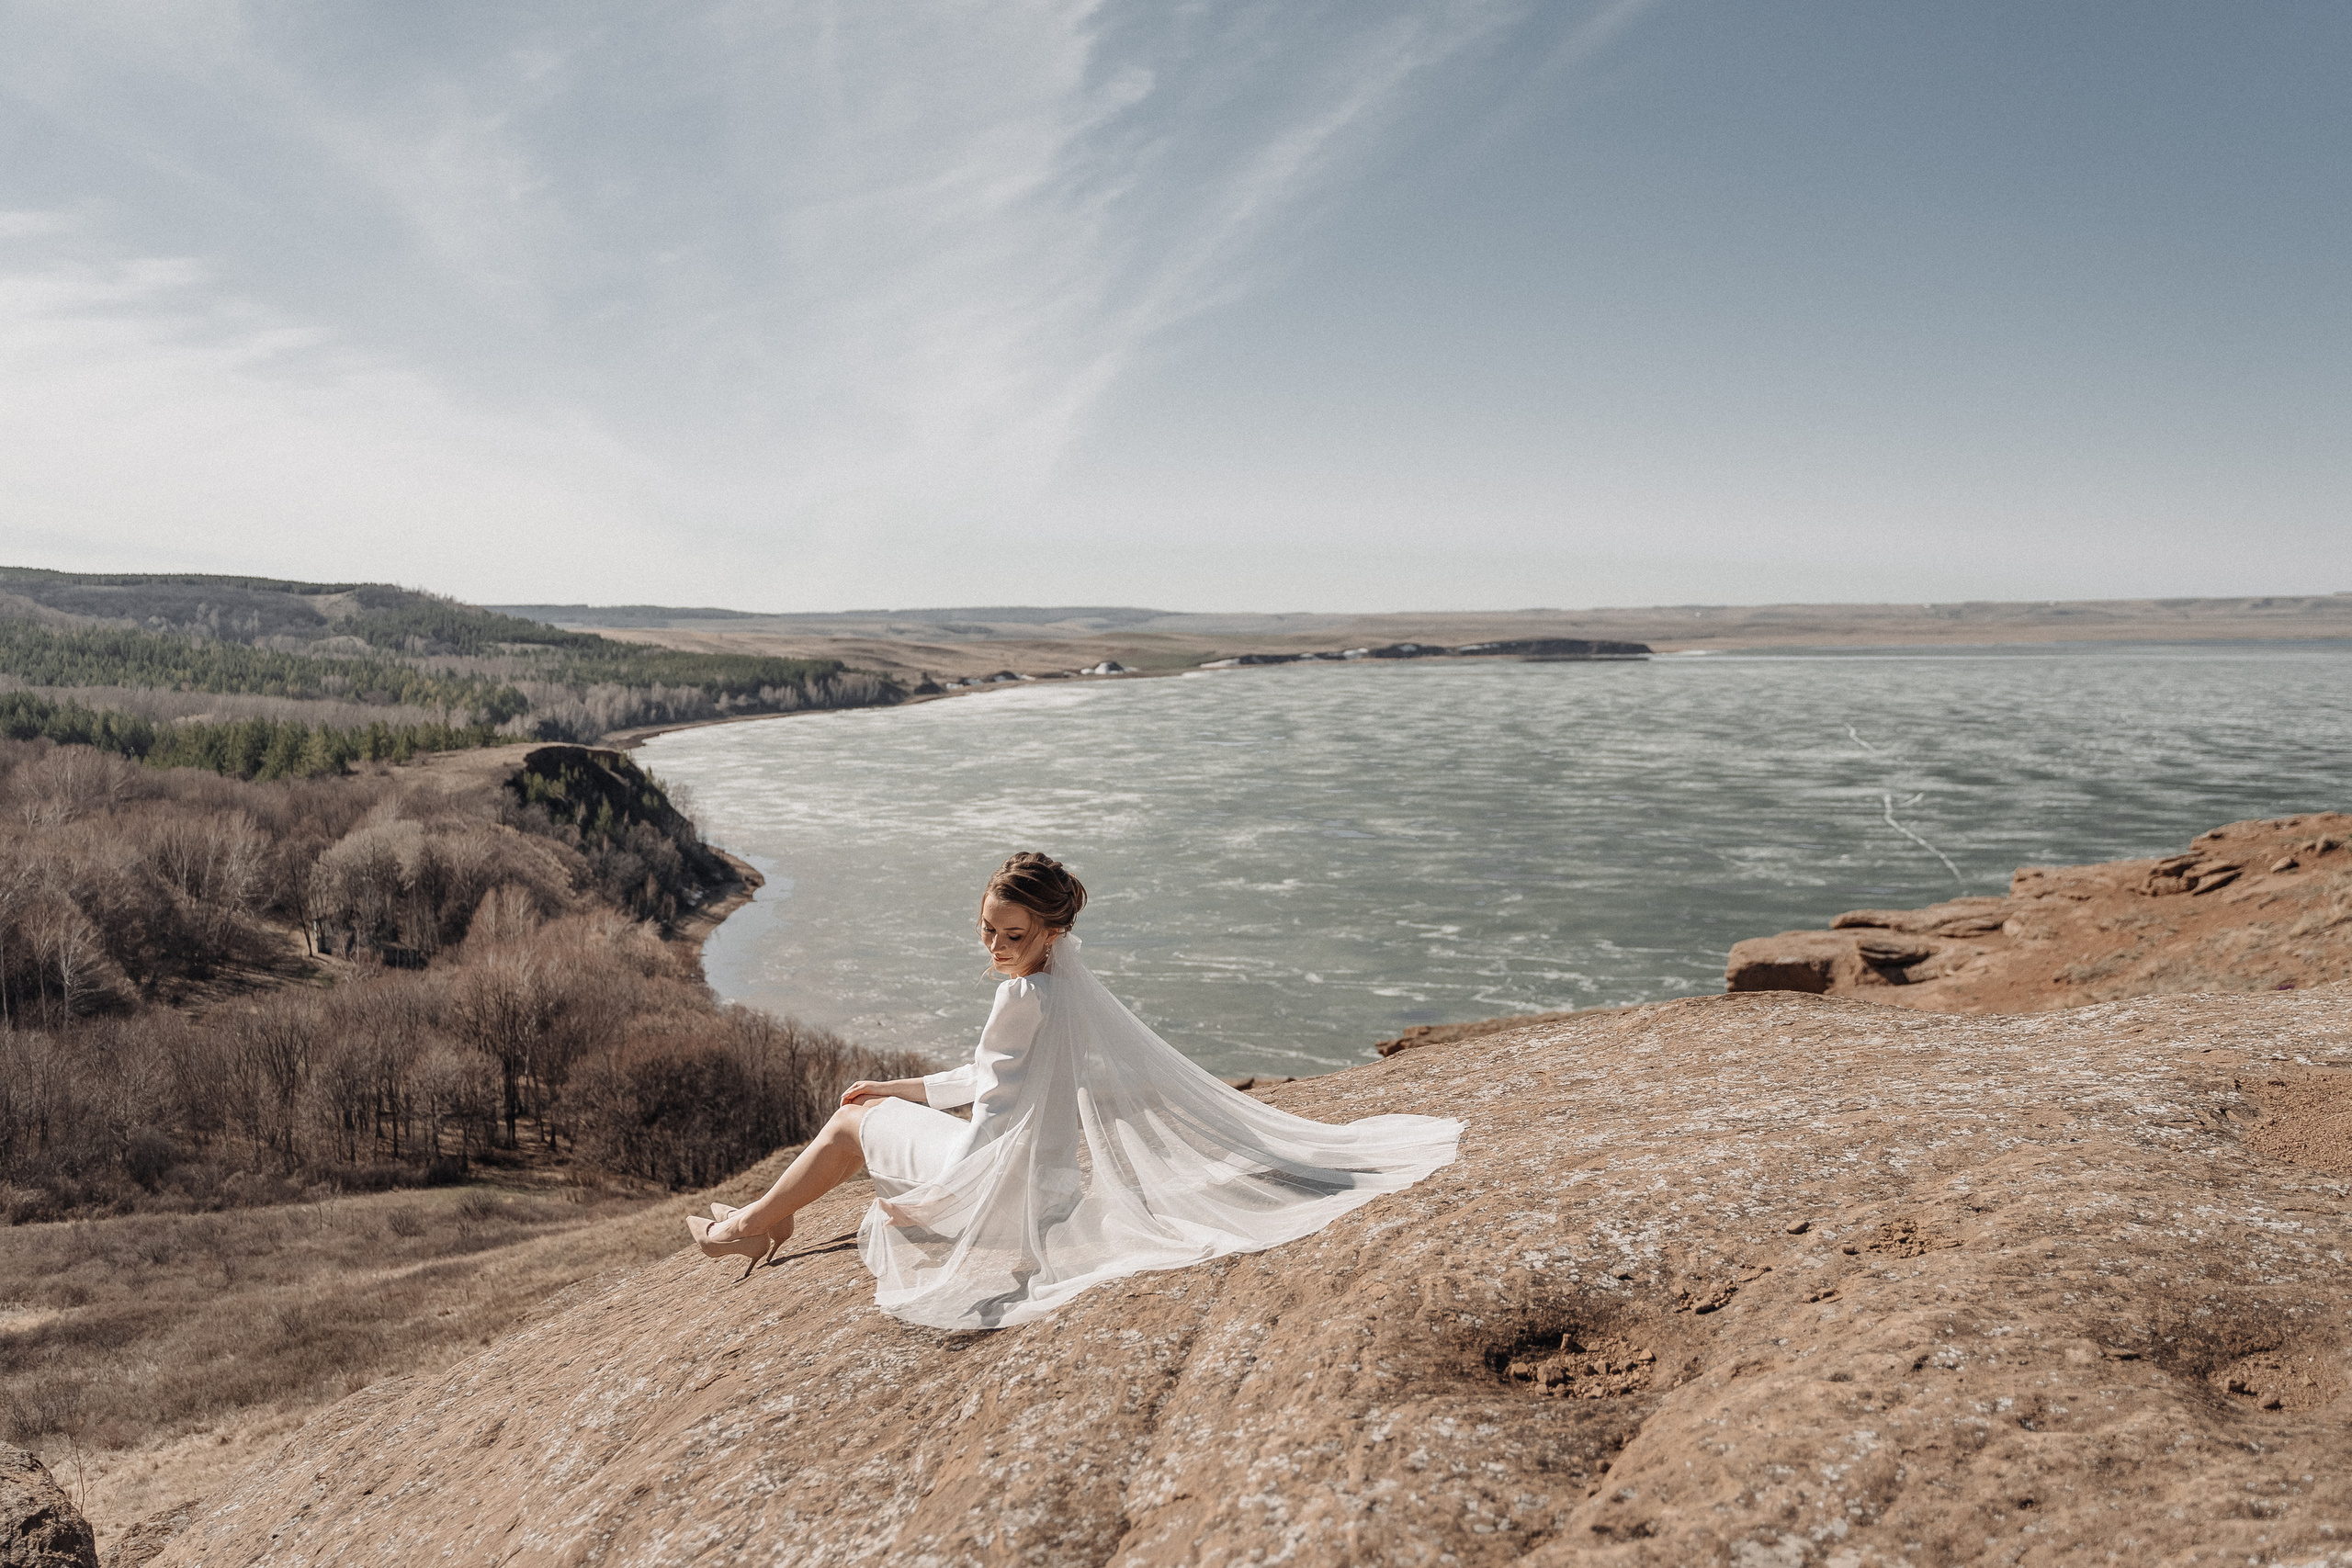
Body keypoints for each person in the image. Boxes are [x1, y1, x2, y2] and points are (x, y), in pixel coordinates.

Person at [686, 852, 1462, 1330]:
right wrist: (889, 1084)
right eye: (987, 927)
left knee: (851, 1125)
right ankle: (761, 1221)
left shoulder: (1022, 997)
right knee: (865, 1105)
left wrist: (944, 1201)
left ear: (1050, 932)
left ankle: (749, 1228)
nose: (994, 946)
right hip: (1049, 1185)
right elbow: (988, 1082)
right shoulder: (1057, 986)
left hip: (998, 1185)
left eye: (1011, 935)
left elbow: (989, 1119)